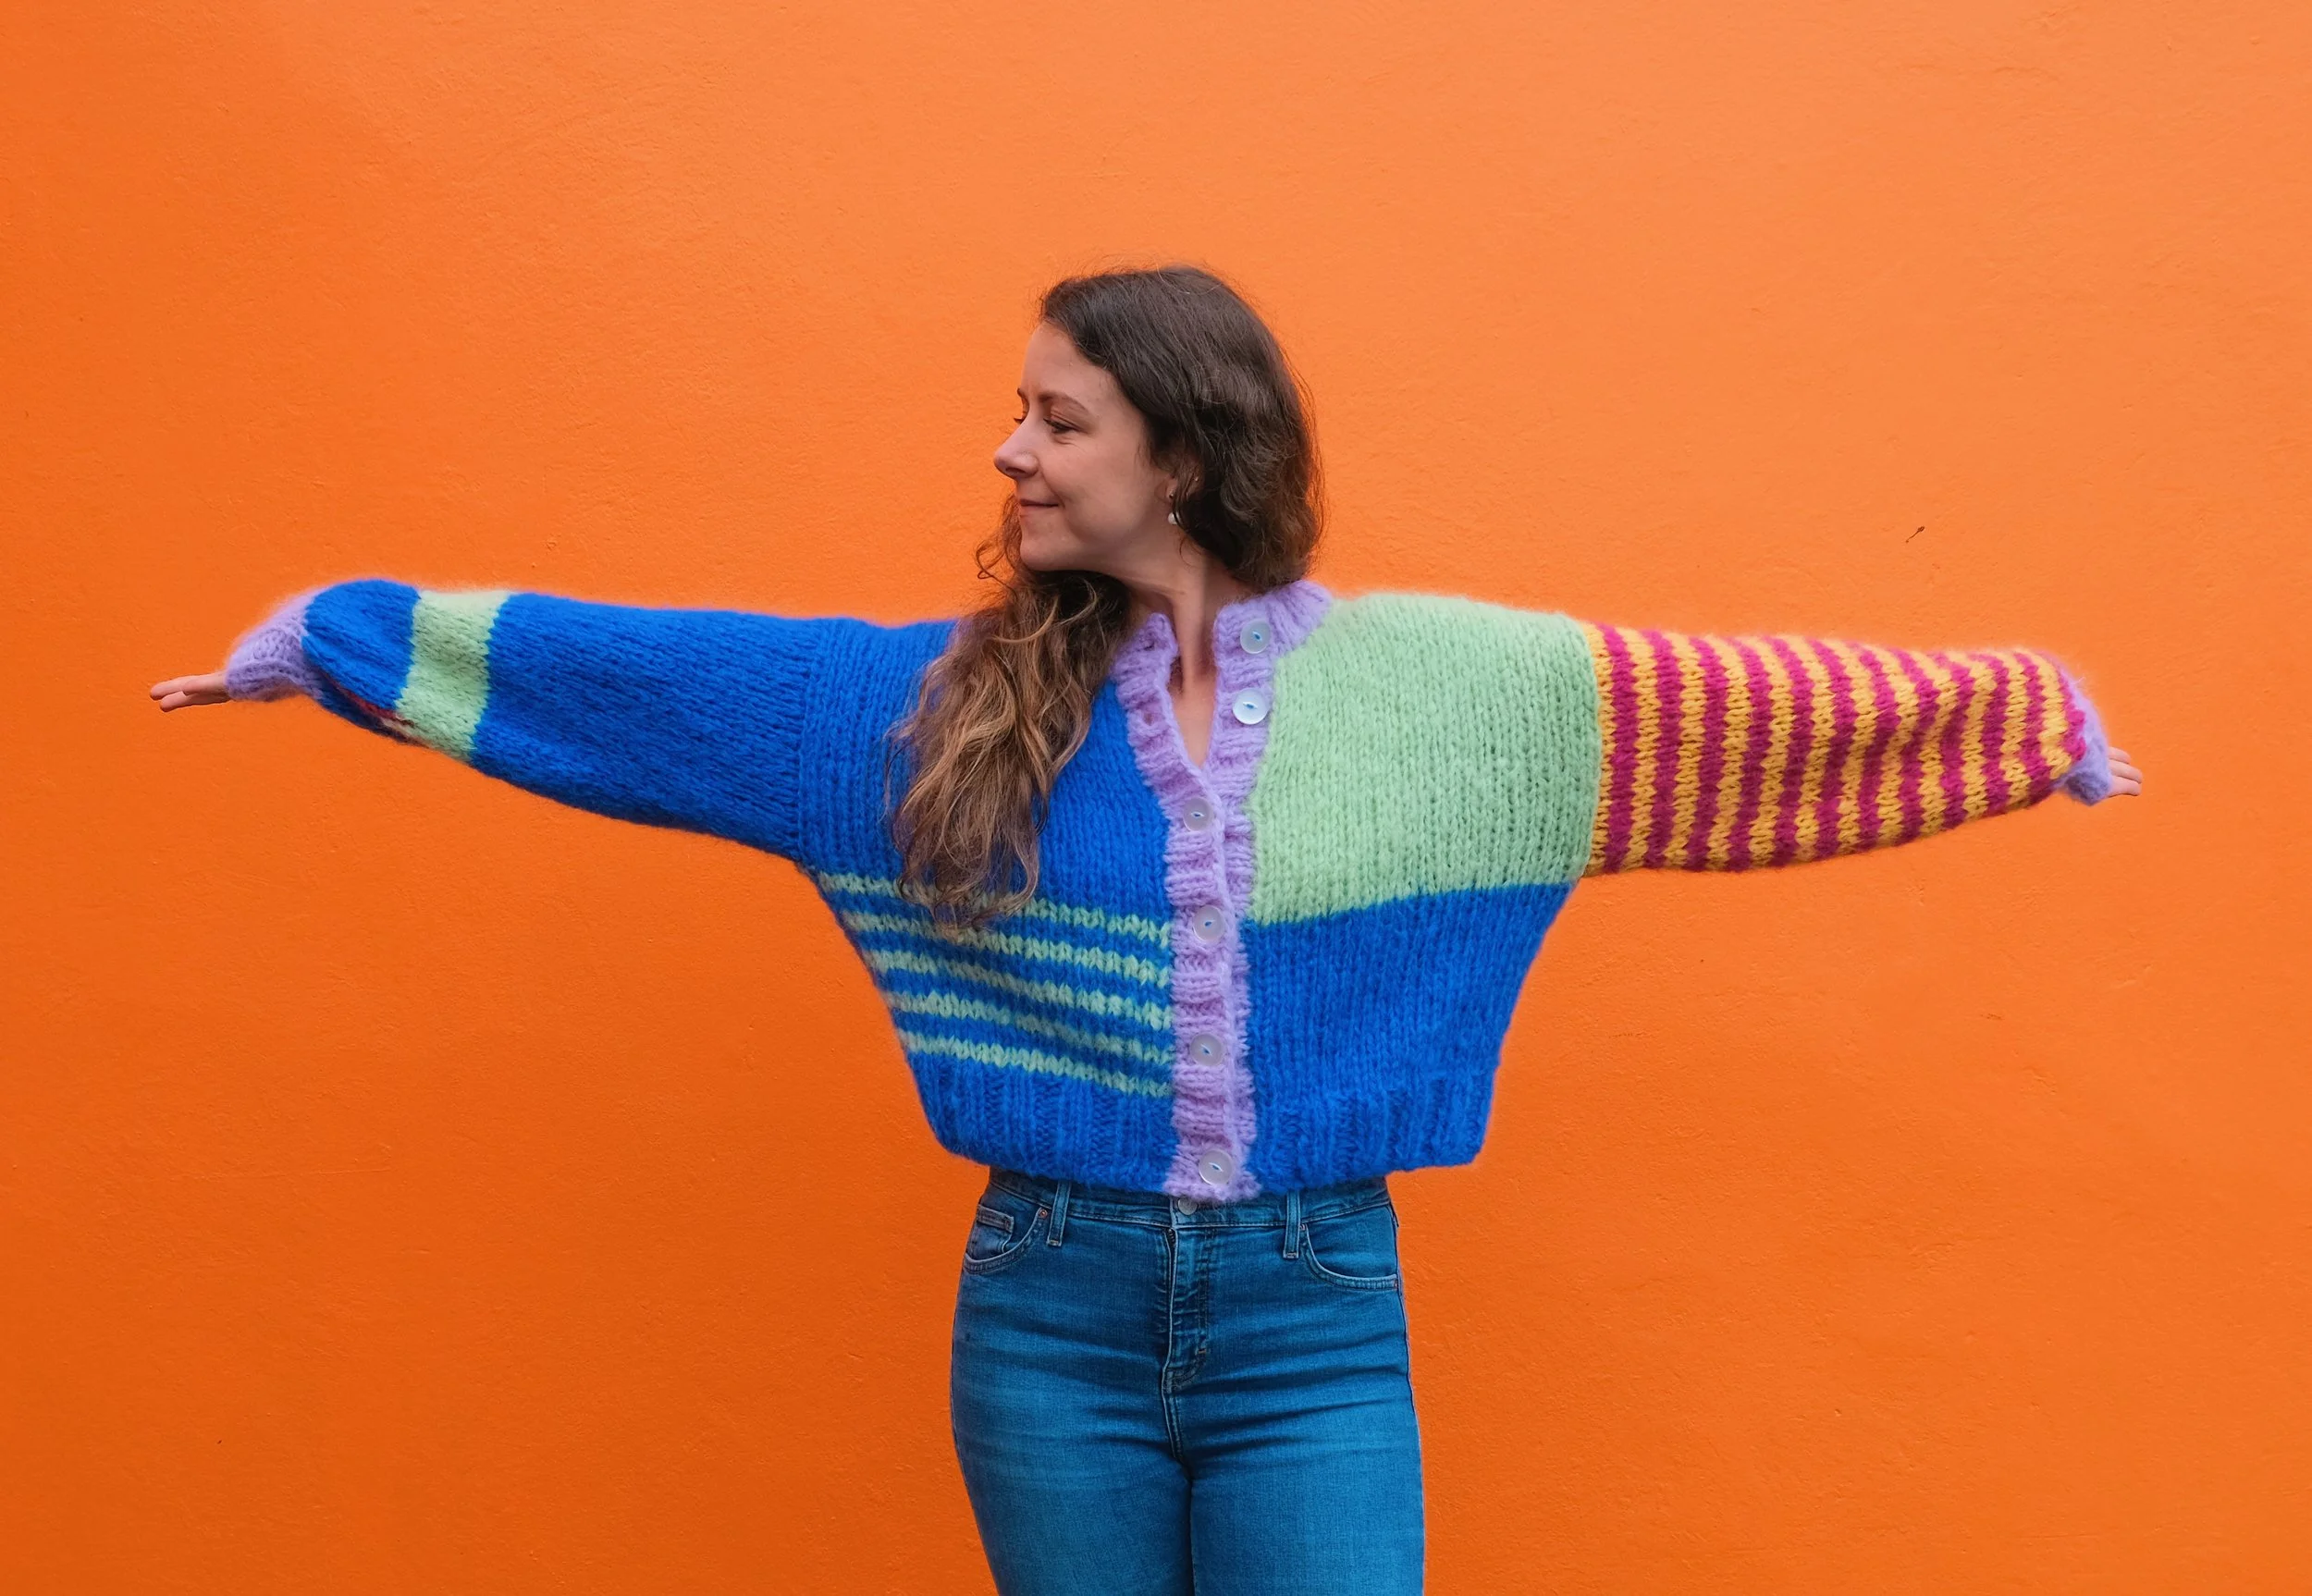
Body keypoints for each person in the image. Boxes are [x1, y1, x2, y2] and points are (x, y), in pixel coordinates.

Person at [151, 264, 2143, 1596]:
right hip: (1045, 1309)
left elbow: (1761, 715)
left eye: (1057, 418)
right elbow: (639, 679)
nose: (1008, 453)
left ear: (1180, 456)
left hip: (1314, 1314)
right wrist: (343, 641)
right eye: (1015, 415)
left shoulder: (1470, 697)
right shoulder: (917, 713)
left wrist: (2025, 722)